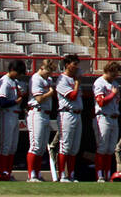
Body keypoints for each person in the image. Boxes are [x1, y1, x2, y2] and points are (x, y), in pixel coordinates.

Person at [0, 59, 27, 181]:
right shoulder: (5, 81)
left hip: (14, 114)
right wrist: (14, 101)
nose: (19, 76)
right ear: (13, 70)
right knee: (6, 144)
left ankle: (8, 172)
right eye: (18, 73)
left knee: (13, 146)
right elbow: (2, 101)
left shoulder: (14, 81)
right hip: (6, 113)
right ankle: (3, 171)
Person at [92, 61, 121, 183]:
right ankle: (100, 175)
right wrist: (112, 94)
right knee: (102, 147)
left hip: (114, 117)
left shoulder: (114, 83)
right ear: (109, 71)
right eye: (114, 73)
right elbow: (101, 102)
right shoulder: (99, 82)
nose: (115, 76)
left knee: (110, 149)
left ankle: (107, 174)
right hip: (103, 117)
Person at [55, 53, 83, 182]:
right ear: (67, 65)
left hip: (77, 113)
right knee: (65, 146)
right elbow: (71, 96)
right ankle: (62, 175)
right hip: (66, 113)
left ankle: (71, 175)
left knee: (74, 147)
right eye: (74, 64)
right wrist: (77, 83)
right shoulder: (62, 79)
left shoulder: (75, 78)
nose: (77, 67)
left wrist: (77, 81)